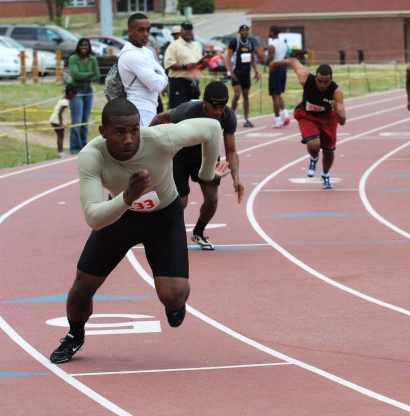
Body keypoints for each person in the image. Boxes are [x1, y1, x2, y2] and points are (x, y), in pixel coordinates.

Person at [49, 98, 222, 364]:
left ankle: (176, 301)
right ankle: (74, 336)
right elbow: (93, 217)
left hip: (164, 217)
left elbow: (211, 128)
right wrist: (127, 197)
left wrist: (206, 172)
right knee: (81, 287)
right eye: (119, 132)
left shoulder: (162, 138)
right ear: (103, 131)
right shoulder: (91, 156)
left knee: (173, 296)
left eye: (134, 130)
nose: (129, 139)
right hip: (120, 217)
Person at [150, 81, 244, 250]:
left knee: (212, 198)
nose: (217, 111)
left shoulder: (227, 116)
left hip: (206, 158)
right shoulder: (187, 111)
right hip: (180, 156)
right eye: (213, 106)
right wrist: (147, 142)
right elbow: (160, 118)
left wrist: (236, 178)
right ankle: (164, 232)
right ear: (204, 102)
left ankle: (198, 233)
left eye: (222, 106)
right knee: (181, 202)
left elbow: (231, 150)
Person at [268, 58, 345, 189]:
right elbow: (293, 61)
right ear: (315, 77)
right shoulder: (306, 79)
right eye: (319, 81)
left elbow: (342, 121)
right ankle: (313, 158)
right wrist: (275, 64)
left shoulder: (336, 92)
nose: (322, 85)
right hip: (307, 116)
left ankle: (325, 175)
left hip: (327, 118)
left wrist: (336, 109)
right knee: (314, 145)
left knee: (329, 152)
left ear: (331, 79)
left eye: (326, 82)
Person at [118, 13, 169, 126]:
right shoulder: (131, 54)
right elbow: (156, 85)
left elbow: (162, 76)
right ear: (130, 31)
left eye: (148, 30)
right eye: (141, 30)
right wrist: (161, 76)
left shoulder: (147, 52)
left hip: (150, 109)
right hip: (139, 110)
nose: (146, 34)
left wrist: (161, 76)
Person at [163, 21, 210, 108]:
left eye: (190, 29)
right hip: (179, 83)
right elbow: (168, 63)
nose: (188, 31)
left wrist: (204, 64)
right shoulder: (174, 45)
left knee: (193, 112)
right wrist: (185, 66)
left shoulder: (196, 45)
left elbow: (198, 64)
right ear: (181, 31)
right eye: (185, 29)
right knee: (179, 112)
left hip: (194, 83)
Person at [223, 24, 261, 127]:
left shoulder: (250, 43)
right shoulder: (235, 42)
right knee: (237, 94)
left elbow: (253, 58)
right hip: (236, 73)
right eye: (242, 31)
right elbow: (228, 58)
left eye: (246, 31)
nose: (244, 32)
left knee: (245, 96)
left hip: (246, 74)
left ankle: (246, 119)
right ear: (240, 32)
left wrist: (256, 72)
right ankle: (230, 116)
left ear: (248, 32)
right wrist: (231, 72)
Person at [68, 37, 100, 154]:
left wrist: (86, 75)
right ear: (78, 46)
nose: (84, 47)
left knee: (85, 121)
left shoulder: (92, 59)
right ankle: (75, 147)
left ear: (89, 47)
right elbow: (75, 75)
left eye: (86, 45)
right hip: (77, 91)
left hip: (88, 91)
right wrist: (90, 74)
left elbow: (97, 76)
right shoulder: (73, 58)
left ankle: (83, 145)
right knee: (77, 121)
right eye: (82, 45)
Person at [265, 25, 291, 129]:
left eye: (269, 31)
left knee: (275, 96)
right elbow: (285, 57)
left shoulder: (272, 45)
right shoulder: (284, 44)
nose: (268, 33)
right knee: (278, 94)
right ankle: (286, 115)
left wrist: (265, 62)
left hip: (275, 69)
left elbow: (269, 60)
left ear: (273, 32)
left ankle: (277, 121)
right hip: (283, 69)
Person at [49, 84, 77, 157]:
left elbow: (63, 114)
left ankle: (60, 152)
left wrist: (65, 123)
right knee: (60, 136)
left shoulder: (62, 99)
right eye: (74, 95)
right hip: (56, 121)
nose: (74, 97)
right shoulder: (65, 103)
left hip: (54, 120)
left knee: (60, 136)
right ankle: (61, 153)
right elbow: (60, 113)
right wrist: (61, 123)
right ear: (70, 93)